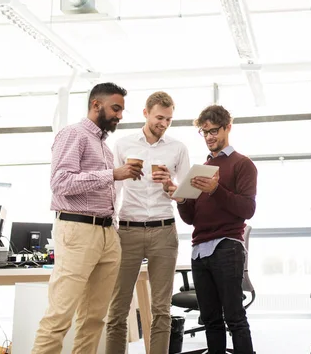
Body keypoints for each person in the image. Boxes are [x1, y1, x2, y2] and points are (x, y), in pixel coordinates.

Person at [32, 83, 143, 354]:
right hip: (78, 230)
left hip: (106, 234)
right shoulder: (73, 134)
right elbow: (60, 183)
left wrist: (113, 230)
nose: (119, 115)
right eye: (115, 108)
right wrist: (112, 175)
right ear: (96, 105)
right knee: (60, 315)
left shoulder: (104, 148)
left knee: (94, 319)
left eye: (121, 110)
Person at [167, 105, 257, 354]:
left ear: (228, 128)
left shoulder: (242, 164)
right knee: (211, 321)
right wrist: (181, 199)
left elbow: (247, 209)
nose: (209, 137)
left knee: (235, 318)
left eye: (214, 131)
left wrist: (215, 190)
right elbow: (191, 219)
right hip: (199, 251)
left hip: (227, 247)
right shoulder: (201, 169)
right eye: (204, 132)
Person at [106, 91, 190, 353]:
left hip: (163, 231)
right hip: (128, 231)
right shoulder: (123, 144)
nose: (163, 124)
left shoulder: (177, 148)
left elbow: (186, 194)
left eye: (169, 119)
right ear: (145, 113)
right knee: (118, 308)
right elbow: (113, 188)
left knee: (161, 309)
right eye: (159, 117)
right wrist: (111, 227)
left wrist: (170, 185)